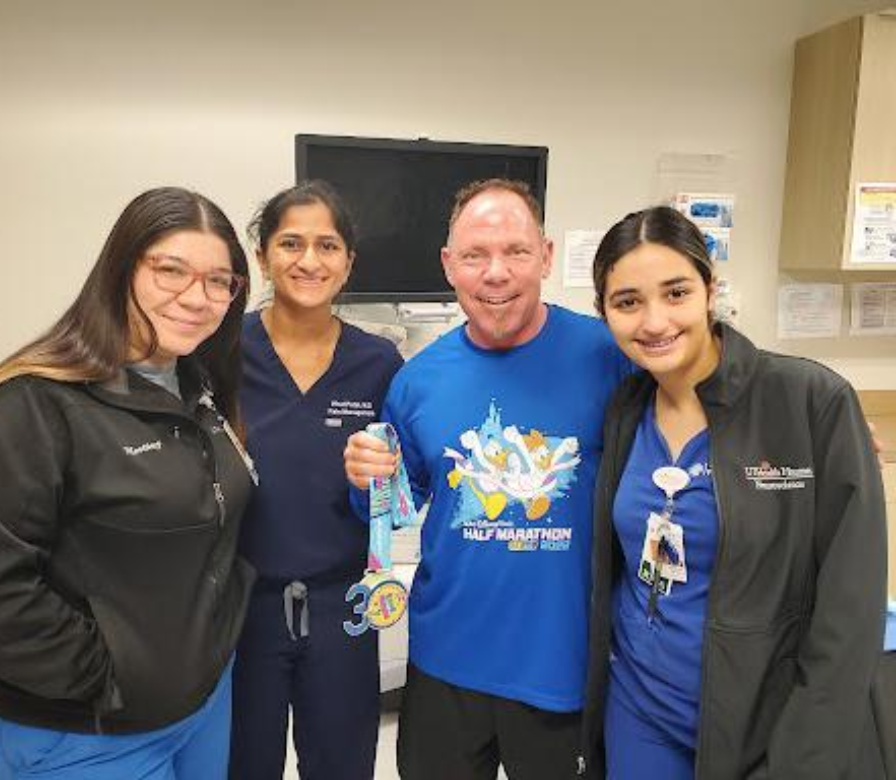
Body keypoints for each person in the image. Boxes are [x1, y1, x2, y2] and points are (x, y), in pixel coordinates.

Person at [0, 187, 257, 780]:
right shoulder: (31, 404)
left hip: (201, 703)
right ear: (121, 269)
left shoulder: (196, 384)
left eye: (219, 281)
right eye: (170, 271)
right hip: (88, 731)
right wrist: (116, 676)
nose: (196, 298)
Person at [580, 206, 888, 779]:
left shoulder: (808, 403)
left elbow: (850, 616)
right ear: (604, 313)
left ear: (709, 289)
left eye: (676, 293)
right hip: (639, 710)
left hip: (758, 723)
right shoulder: (625, 411)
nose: (654, 321)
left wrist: (805, 758)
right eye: (627, 302)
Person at [344, 178, 632, 780]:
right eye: (475, 255)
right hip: (445, 664)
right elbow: (393, 510)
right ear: (450, 265)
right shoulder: (418, 380)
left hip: (563, 667)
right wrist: (365, 478)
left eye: (516, 252)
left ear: (546, 256)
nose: (495, 273)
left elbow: (704, 395)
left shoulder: (610, 356)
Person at [230, 180, 403, 780]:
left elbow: (398, 492)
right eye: (291, 243)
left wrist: (381, 476)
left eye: (327, 246)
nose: (309, 261)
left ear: (349, 262)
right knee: (241, 763)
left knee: (342, 763)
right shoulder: (220, 352)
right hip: (240, 606)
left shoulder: (378, 362)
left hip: (342, 606)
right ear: (263, 257)